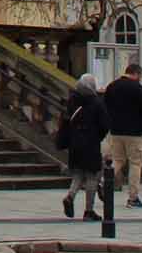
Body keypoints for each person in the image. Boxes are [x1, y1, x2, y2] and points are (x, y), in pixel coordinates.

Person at [58, 73, 111, 220]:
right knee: (92, 177)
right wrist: (97, 137)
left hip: (75, 143)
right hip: (90, 143)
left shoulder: (72, 100)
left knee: (78, 174)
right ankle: (89, 210)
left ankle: (70, 196)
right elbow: (105, 125)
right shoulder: (96, 102)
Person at [103, 61, 142, 207]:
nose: (140, 78)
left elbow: (105, 106)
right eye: (140, 75)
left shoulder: (112, 86)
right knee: (135, 163)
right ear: (136, 74)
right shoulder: (137, 88)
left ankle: (103, 183)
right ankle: (133, 198)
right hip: (135, 132)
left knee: (117, 161)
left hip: (116, 130)